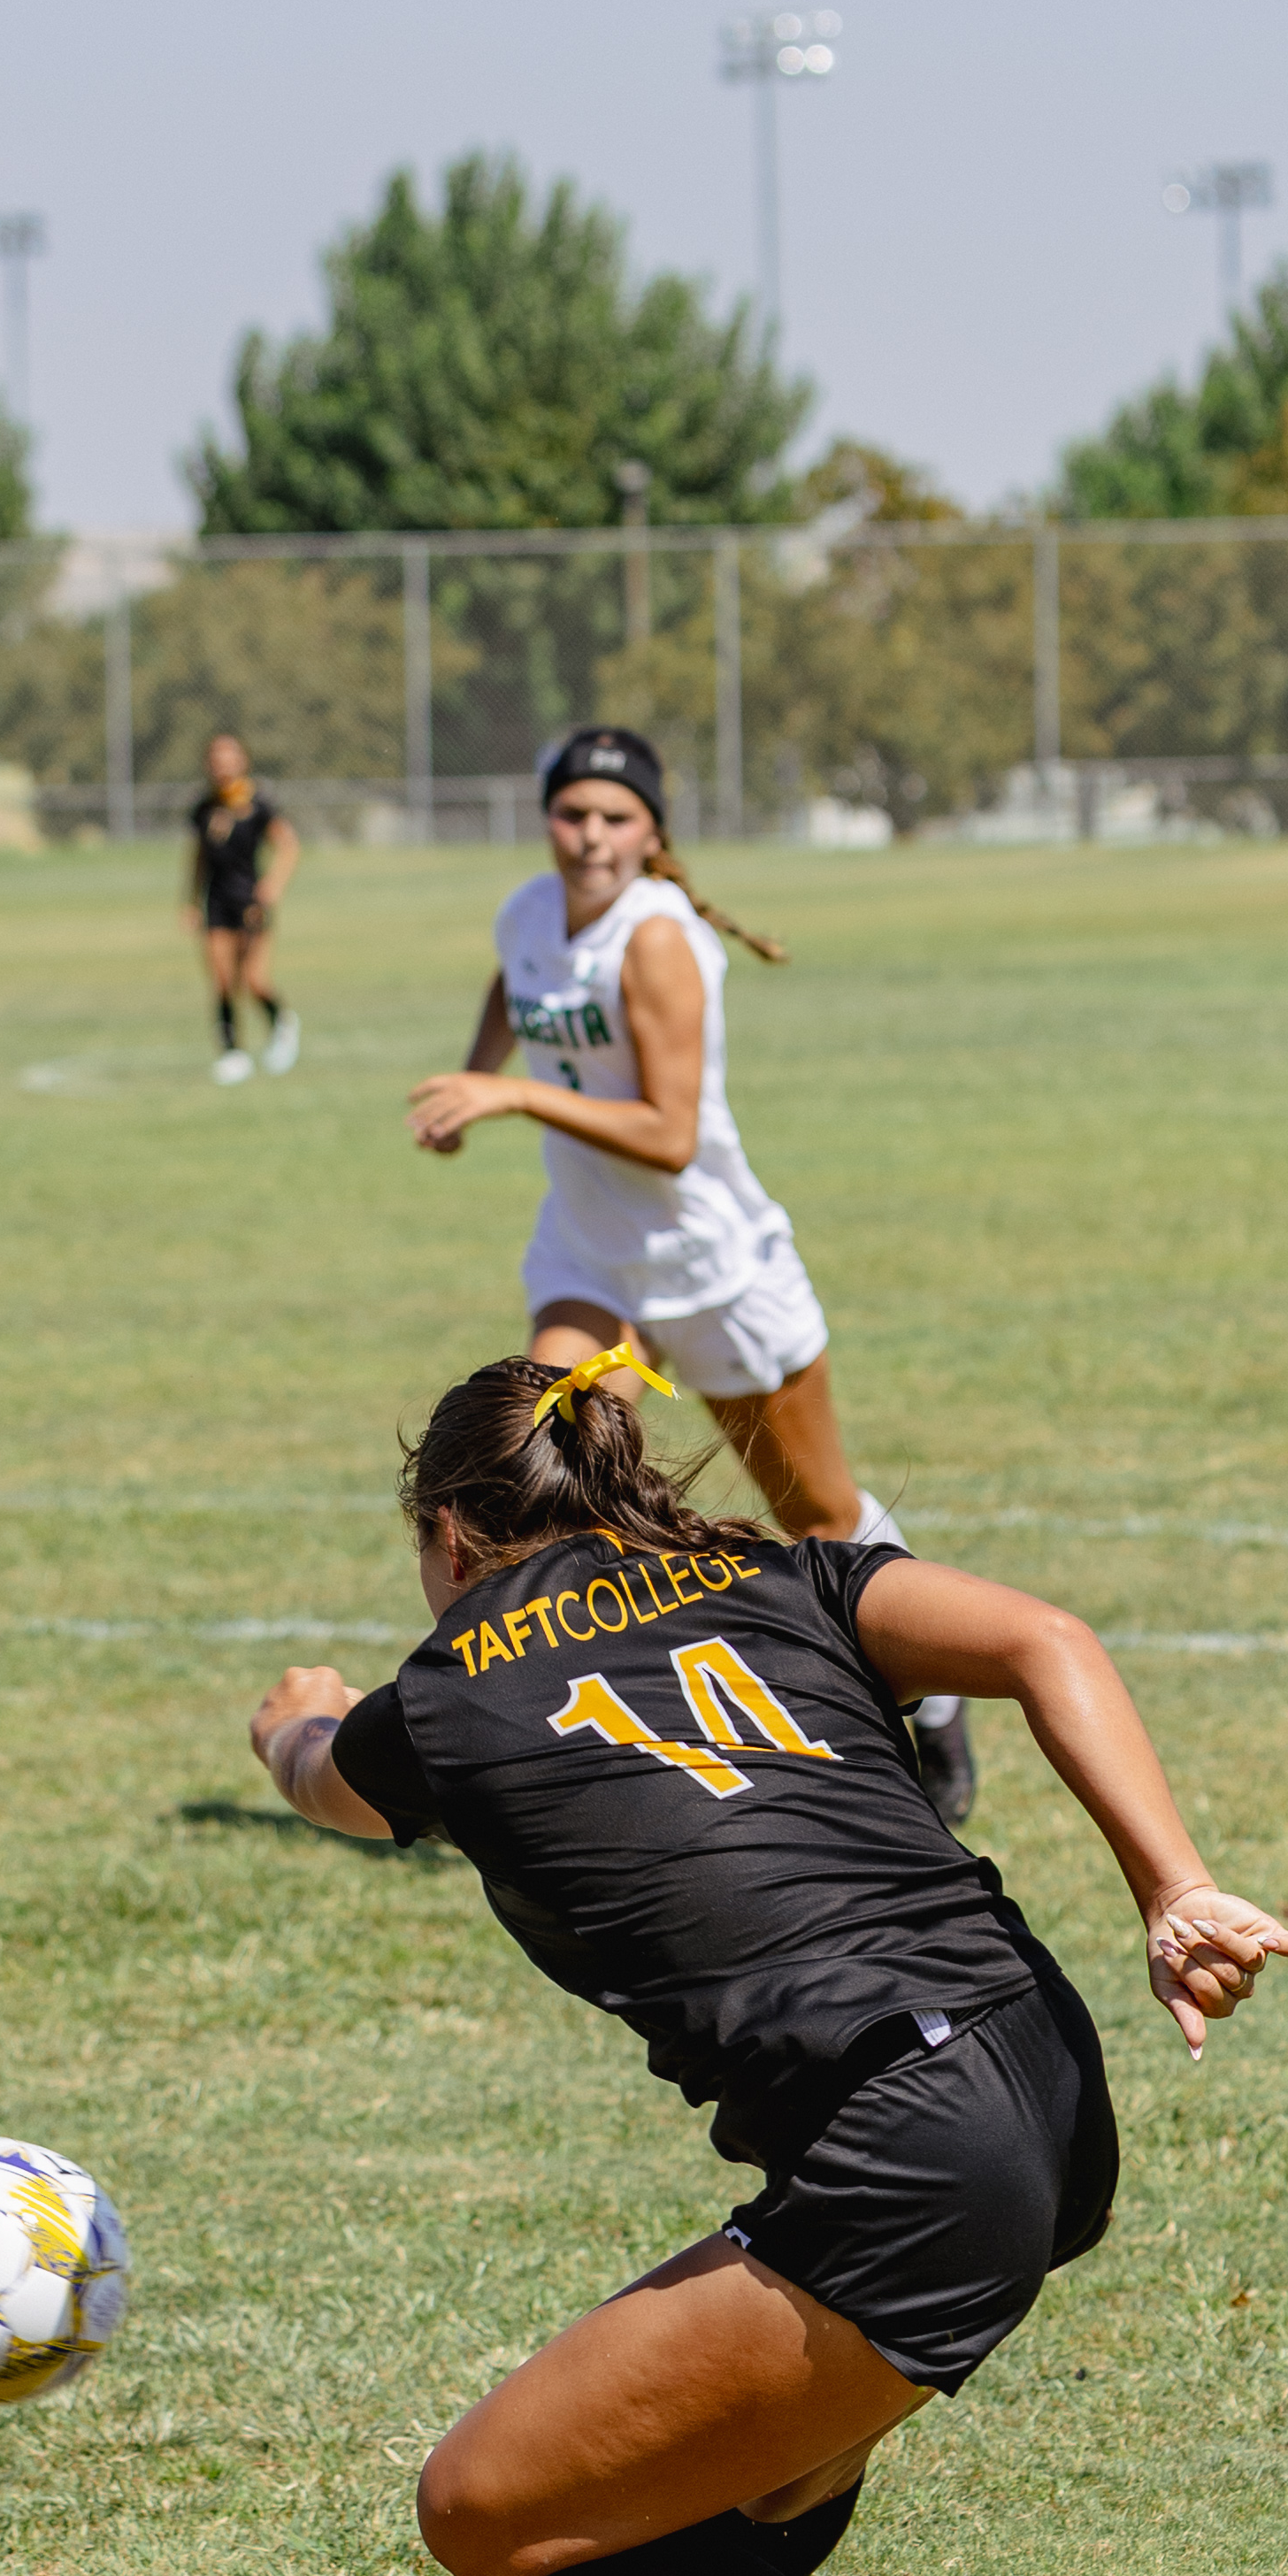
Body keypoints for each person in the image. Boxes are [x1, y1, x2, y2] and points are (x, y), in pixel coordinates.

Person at [246, 1348, 1288, 2576]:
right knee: (768, 2460)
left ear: (453, 1538)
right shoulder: (786, 1575)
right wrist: (1173, 1889)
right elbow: (1048, 1636)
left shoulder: (440, 1698)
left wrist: (291, 1718)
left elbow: (328, 1785)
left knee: (479, 2509)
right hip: (1045, 2078)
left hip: (913, 2143)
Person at [406, 719, 982, 1828]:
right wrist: (472, 1077)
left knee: (817, 1516)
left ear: (652, 831)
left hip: (710, 1260)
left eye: (614, 818)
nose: (589, 837)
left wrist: (516, 1095)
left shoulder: (661, 939)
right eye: (572, 813)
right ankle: (561, 1752)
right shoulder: (528, 911)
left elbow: (670, 1134)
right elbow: (515, 983)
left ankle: (942, 1697)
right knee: (530, 1489)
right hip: (590, 1256)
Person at [186, 731, 300, 1085]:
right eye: (216, 758)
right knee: (221, 981)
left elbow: (288, 846)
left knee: (253, 981)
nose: (222, 765)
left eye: (229, 756)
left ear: (242, 761)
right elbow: (199, 858)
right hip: (216, 902)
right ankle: (233, 1053)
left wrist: (273, 887)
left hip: (250, 903)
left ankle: (282, 1022)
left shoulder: (259, 804)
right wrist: (190, 901)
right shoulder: (204, 808)